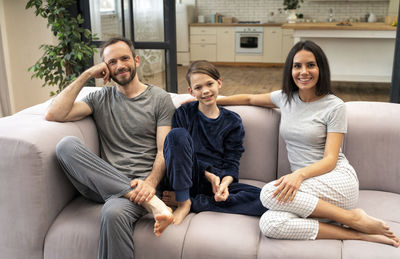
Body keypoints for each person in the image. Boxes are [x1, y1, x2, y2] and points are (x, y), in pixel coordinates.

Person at [216, 41, 399, 247]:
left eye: (310, 65)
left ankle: (353, 218)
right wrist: (211, 100)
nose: (304, 72)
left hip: (336, 181)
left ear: (321, 68)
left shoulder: (334, 106)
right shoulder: (285, 98)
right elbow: (249, 99)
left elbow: (330, 159)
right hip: (306, 192)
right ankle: (356, 233)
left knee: (268, 193)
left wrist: (299, 175)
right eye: (297, 66)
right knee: (269, 223)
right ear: (290, 70)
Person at [46, 37, 176, 259]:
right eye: (112, 62)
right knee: (66, 145)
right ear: (105, 68)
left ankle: (144, 197)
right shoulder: (99, 98)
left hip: (141, 184)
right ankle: (152, 204)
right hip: (103, 183)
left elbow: (164, 151)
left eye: (125, 58)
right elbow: (54, 113)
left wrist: (150, 184)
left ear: (136, 60)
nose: (120, 65)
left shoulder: (160, 99)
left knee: (113, 211)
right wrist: (87, 74)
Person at [161, 60, 267, 225]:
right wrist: (208, 175)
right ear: (191, 91)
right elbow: (177, 151)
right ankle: (183, 201)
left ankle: (194, 202)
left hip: (215, 183)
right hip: (187, 176)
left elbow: (232, 162)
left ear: (219, 83)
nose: (205, 91)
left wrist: (223, 184)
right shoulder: (184, 113)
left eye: (209, 84)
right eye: (198, 88)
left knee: (266, 199)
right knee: (176, 135)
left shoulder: (232, 121)